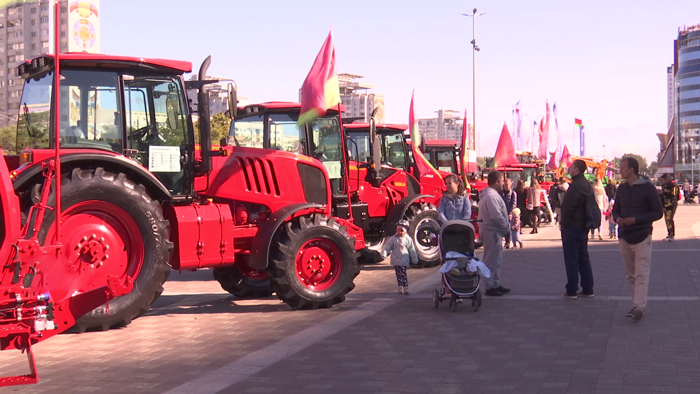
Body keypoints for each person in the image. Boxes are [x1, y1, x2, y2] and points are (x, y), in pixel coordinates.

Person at [612, 157, 664, 321]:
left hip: (642, 235)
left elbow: (658, 212)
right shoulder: (621, 188)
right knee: (630, 274)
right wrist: (618, 218)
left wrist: (636, 219)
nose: (620, 170)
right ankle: (636, 305)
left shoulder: (648, 188)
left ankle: (639, 306)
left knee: (641, 273)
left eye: (623, 167)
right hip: (625, 236)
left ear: (632, 169)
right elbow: (615, 210)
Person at [559, 159, 595, 299]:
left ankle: (572, 289)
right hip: (583, 225)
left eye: (571, 166)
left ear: (577, 169)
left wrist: (564, 224)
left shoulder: (575, 186)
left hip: (572, 226)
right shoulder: (586, 185)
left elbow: (568, 208)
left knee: (571, 258)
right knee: (583, 256)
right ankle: (588, 288)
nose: (569, 168)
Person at [477, 171, 511, 296]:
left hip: (494, 231)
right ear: (497, 182)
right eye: (502, 181)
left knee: (497, 259)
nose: (504, 183)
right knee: (491, 259)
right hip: (492, 231)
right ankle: (489, 286)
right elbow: (496, 215)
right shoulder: (491, 196)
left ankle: (495, 283)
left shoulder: (492, 195)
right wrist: (505, 227)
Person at [381, 220, 418, 295]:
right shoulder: (394, 238)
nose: (399, 232)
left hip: (404, 259)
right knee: (398, 274)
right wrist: (384, 253)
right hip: (396, 260)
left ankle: (405, 287)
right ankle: (400, 287)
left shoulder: (408, 239)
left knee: (403, 274)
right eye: (398, 230)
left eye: (401, 230)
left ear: (405, 231)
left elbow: (412, 249)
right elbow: (388, 246)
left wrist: (414, 259)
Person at [661, 173, 680, 241]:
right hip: (665, 204)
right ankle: (669, 234)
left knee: (669, 219)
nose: (664, 181)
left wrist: (663, 192)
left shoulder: (673, 184)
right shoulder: (664, 185)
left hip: (671, 204)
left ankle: (672, 235)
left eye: (664, 180)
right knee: (667, 220)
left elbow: (674, 194)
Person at [500, 178, 517, 248]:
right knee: (500, 227)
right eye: (505, 184)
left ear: (511, 185)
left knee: (508, 227)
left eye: (507, 184)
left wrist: (510, 213)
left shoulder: (513, 193)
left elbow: (514, 203)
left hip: (509, 212)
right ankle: (500, 242)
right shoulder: (500, 193)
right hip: (501, 212)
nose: (506, 186)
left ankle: (508, 242)